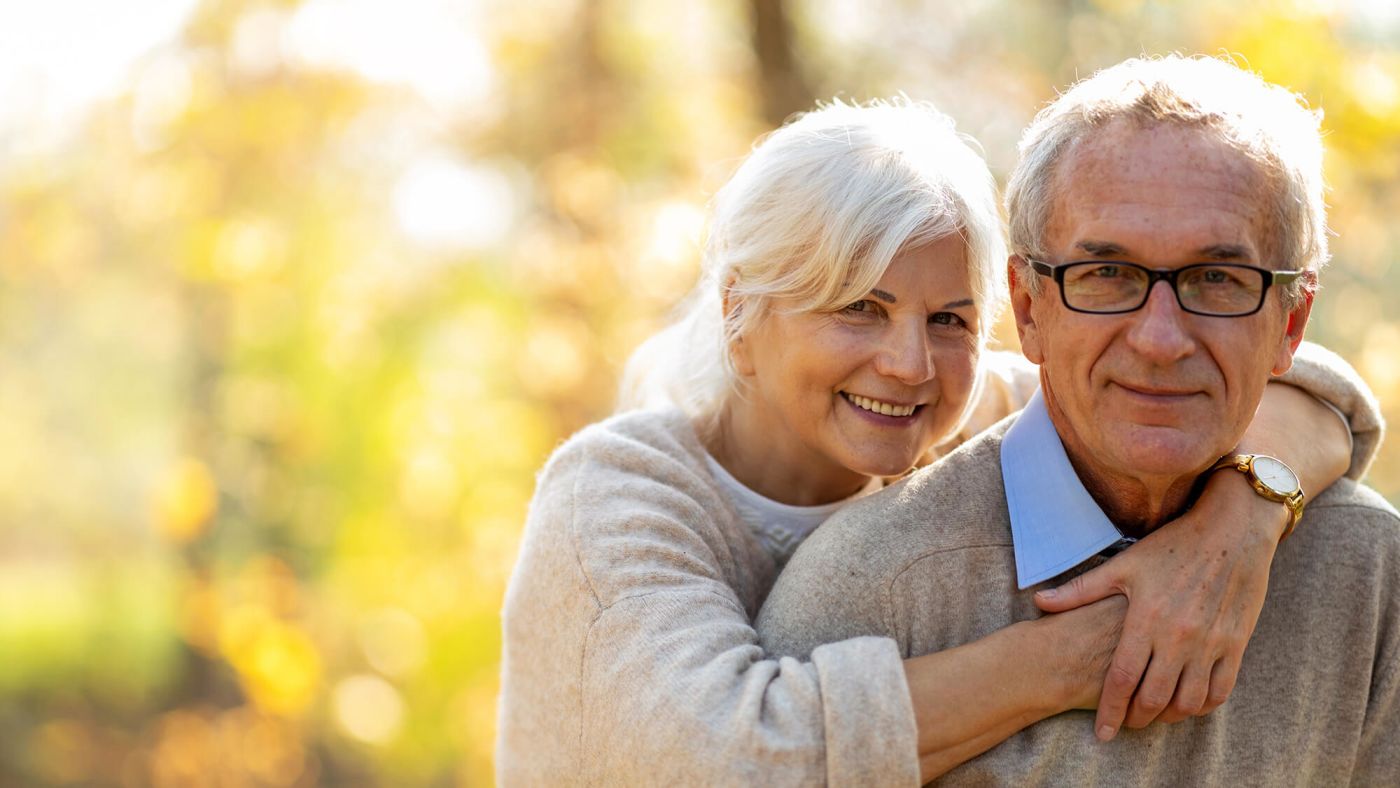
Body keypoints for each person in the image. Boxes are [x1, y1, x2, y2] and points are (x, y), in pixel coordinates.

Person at [496, 97, 1382, 785]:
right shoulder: (615, 497)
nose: (909, 364)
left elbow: (1298, 385)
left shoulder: (972, 405)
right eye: (859, 307)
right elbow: (725, 763)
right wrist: (1090, 649)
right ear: (739, 311)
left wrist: (1239, 522)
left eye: (950, 318)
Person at [757, 55, 1398, 784]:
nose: (1160, 340)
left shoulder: (1370, 571)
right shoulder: (865, 595)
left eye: (1217, 279)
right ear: (1029, 308)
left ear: (1292, 323)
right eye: (1107, 275)